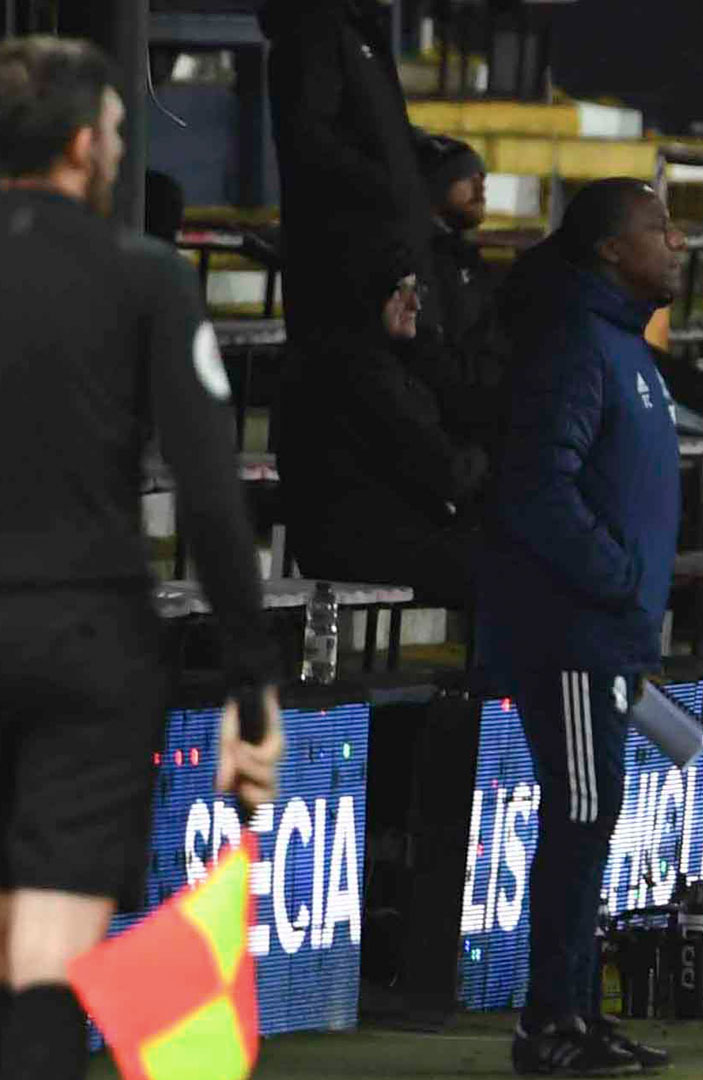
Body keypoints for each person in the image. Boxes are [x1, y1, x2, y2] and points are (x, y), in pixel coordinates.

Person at [0, 37, 283, 1080]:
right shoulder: (143, 275)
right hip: (83, 643)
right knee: (43, 951)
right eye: (119, 131)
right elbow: (212, 493)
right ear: (85, 146)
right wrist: (250, 676)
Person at [475, 178, 683, 1076]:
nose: (678, 243)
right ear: (609, 248)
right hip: (569, 634)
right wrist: (617, 577)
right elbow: (535, 488)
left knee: (593, 817)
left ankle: (575, 1016)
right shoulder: (574, 347)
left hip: (606, 636)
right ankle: (549, 1023)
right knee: (581, 814)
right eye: (659, 229)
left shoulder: (622, 348)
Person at [277, 243, 488, 606]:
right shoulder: (359, 368)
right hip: (362, 545)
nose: (415, 305)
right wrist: (490, 455)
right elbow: (445, 470)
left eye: (417, 291)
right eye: (400, 292)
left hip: (363, 535)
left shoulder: (365, 356)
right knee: (524, 569)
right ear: (365, 294)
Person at [261, 0, 433, 343]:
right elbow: (311, 141)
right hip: (344, 275)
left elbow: (381, 136)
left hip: (378, 268)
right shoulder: (315, 28)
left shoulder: (357, 27)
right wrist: (391, 190)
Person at [415, 131, 510, 456]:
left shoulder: (463, 256)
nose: (480, 186)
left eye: (481, 175)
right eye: (465, 177)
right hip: (447, 438)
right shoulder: (419, 258)